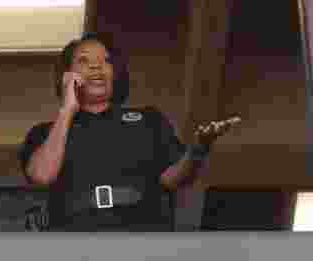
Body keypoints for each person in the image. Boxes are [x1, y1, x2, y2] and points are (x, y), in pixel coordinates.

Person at [19, 32, 239, 232]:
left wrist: (198, 150)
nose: (96, 66)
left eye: (106, 61)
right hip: (73, 236)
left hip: (141, 233)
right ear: (67, 75)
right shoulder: (46, 132)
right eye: (84, 61)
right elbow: (42, 176)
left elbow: (172, 179)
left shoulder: (149, 120)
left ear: (115, 73)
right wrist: (67, 110)